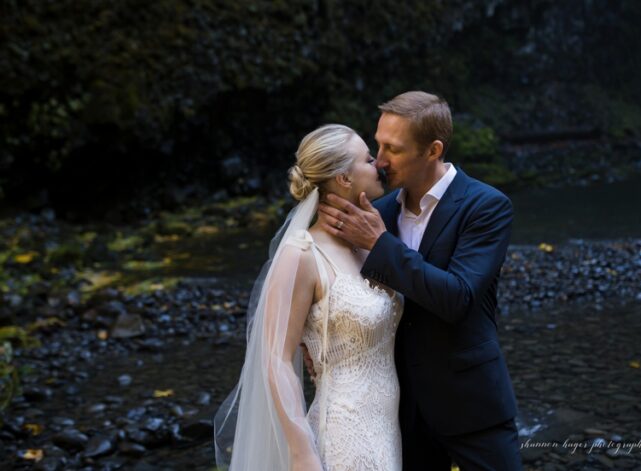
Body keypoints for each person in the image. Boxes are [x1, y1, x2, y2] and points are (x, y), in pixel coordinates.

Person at [316, 91, 523, 470]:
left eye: (392, 149)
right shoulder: (374, 211)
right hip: (397, 413)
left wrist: (379, 244)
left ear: (433, 150)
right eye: (377, 144)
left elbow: (457, 298)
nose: (379, 161)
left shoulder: (486, 206)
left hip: (471, 405)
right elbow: (329, 280)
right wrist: (314, 346)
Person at [214, 124, 404, 470]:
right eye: (367, 158)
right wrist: (301, 451)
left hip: (387, 429)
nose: (378, 163)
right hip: (344, 433)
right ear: (344, 178)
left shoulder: (372, 242)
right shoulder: (300, 255)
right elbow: (275, 358)